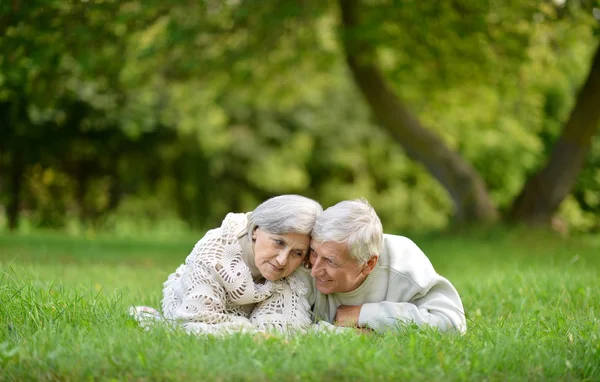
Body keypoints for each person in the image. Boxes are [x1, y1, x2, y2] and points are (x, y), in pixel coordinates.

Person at [132, 194, 322, 335]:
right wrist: (251, 332)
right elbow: (192, 322)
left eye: (297, 253)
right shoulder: (215, 255)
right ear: (255, 230)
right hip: (195, 305)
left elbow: (287, 330)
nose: (282, 260)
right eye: (278, 242)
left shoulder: (295, 269)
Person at [307, 198, 467, 333]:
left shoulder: (403, 261)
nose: (314, 271)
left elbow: (453, 324)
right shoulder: (299, 260)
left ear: (368, 264)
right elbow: (290, 332)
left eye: (330, 261)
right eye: (314, 252)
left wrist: (365, 314)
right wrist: (359, 335)